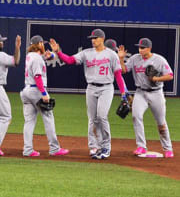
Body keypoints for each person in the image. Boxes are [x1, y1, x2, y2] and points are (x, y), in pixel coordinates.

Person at [50, 29, 126, 159]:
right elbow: (69, 60)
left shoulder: (111, 55)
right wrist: (58, 52)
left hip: (106, 88)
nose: (93, 40)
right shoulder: (86, 53)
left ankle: (106, 146)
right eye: (92, 38)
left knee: (102, 116)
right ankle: (94, 146)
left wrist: (124, 93)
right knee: (92, 119)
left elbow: (118, 75)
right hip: (91, 88)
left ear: (102, 39)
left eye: (95, 38)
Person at [118, 38, 174, 158]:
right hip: (140, 93)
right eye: (139, 47)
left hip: (156, 93)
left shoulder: (159, 60)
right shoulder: (134, 58)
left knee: (161, 122)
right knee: (136, 116)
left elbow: (170, 75)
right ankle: (141, 146)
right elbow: (123, 70)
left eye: (142, 47)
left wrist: (156, 79)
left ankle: (168, 148)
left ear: (149, 48)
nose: (140, 49)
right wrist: (121, 58)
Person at [21, 35, 69, 157]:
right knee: (48, 117)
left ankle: (27, 150)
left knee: (29, 121)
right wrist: (44, 93)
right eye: (43, 43)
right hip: (36, 90)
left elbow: (47, 56)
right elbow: (37, 77)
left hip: (26, 90)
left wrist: (52, 54)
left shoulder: (30, 56)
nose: (44, 45)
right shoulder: (37, 58)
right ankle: (54, 148)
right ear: (39, 44)